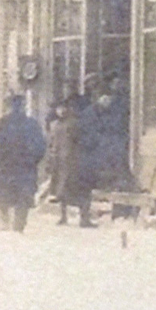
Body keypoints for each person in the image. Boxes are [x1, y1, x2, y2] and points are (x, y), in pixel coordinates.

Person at [0, 94, 46, 232]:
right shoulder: (31, 124)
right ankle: (18, 224)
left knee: (6, 193)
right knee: (23, 196)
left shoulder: (3, 123)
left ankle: (6, 221)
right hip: (24, 166)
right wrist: (33, 160)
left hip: (8, 165)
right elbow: (40, 145)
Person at [46, 96, 90, 227]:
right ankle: (63, 216)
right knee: (61, 191)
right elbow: (51, 144)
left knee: (80, 190)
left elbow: (81, 142)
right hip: (59, 162)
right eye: (59, 109)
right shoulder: (54, 125)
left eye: (64, 108)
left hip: (73, 162)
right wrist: (50, 160)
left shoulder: (74, 124)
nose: (61, 111)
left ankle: (84, 218)